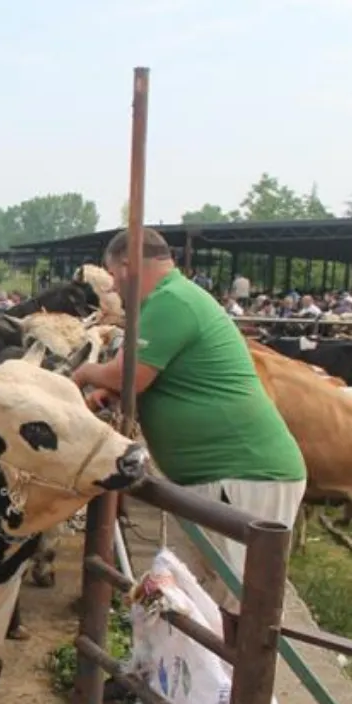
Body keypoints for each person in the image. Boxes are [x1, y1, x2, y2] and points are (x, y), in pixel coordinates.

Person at [70, 229, 305, 612]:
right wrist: (111, 393)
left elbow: (128, 375)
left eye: (113, 275)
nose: (113, 286)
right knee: (189, 597)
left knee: (235, 603)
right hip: (213, 479)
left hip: (244, 476)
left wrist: (84, 375)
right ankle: (190, 672)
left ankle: (234, 673)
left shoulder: (171, 301)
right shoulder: (169, 301)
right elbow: (144, 380)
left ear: (129, 265)